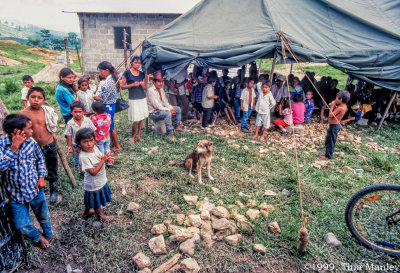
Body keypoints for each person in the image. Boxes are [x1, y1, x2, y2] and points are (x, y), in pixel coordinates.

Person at [0, 114, 52, 249]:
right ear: (16, 133)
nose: (32, 131)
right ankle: (37, 237)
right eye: (29, 129)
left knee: (43, 215)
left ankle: (48, 234)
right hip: (16, 195)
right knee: (20, 224)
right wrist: (14, 148)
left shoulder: (31, 143)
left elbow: (40, 160)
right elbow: (1, 166)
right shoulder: (2, 146)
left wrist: (41, 177)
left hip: (35, 189)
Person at [19, 87, 60, 203]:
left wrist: (52, 135)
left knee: (52, 167)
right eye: (33, 97)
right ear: (27, 98)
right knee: (35, 168)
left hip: (49, 143)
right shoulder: (22, 114)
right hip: (33, 148)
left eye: (39, 98)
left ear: (44, 100)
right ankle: (39, 190)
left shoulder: (46, 111)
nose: (36, 100)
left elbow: (50, 125)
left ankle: (53, 190)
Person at [76, 128, 114, 221]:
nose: (89, 144)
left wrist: (106, 158)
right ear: (79, 144)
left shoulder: (95, 148)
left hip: (100, 180)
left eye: (91, 140)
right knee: (97, 201)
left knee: (91, 200)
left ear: (94, 140)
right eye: (85, 142)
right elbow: (93, 172)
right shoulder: (84, 157)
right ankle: (101, 215)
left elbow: (100, 156)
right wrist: (103, 160)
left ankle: (86, 212)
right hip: (93, 184)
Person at [147, 72, 184, 141]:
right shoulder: (150, 91)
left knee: (178, 109)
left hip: (161, 110)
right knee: (167, 113)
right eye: (158, 81)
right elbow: (157, 106)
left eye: (162, 81)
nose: (161, 83)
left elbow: (165, 102)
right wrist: (169, 110)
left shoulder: (161, 90)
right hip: (153, 113)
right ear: (154, 82)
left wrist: (171, 108)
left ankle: (177, 127)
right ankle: (170, 134)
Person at [120, 56, 148, 144]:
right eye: (136, 62)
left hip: (142, 97)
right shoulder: (127, 73)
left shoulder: (142, 73)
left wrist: (143, 85)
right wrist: (132, 85)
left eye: (139, 63)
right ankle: (132, 137)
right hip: (133, 98)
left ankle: (139, 136)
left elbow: (145, 88)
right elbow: (122, 86)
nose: (138, 65)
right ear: (131, 62)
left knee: (141, 118)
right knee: (136, 119)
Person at [96, 61, 121, 151]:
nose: (101, 73)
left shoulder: (108, 82)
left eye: (101, 71)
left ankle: (117, 145)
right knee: (110, 124)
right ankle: (114, 143)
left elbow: (102, 98)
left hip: (108, 106)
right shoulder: (113, 79)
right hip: (112, 105)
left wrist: (95, 97)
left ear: (106, 70)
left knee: (110, 126)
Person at [65, 101, 97, 167]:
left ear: (83, 112)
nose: (78, 114)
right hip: (77, 145)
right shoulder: (70, 123)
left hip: (87, 143)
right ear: (71, 112)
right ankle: (80, 168)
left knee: (88, 155)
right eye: (75, 112)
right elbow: (69, 135)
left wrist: (94, 141)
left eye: (80, 112)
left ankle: (90, 166)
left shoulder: (87, 120)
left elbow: (93, 131)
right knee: (79, 156)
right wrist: (69, 146)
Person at [322, 91, 350, 159]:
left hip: (334, 126)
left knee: (331, 140)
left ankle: (328, 155)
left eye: (336, 98)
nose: (335, 100)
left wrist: (332, 106)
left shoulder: (341, 108)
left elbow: (331, 115)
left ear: (341, 99)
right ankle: (327, 152)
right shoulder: (343, 105)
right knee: (328, 139)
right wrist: (335, 105)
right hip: (333, 125)